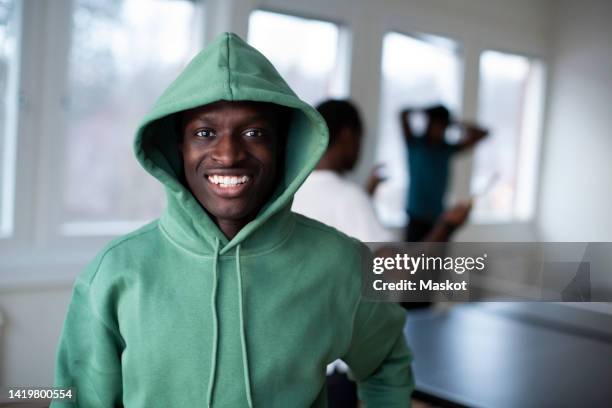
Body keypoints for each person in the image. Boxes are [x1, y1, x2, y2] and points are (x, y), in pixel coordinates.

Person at [51, 33, 413, 407]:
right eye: (204, 133)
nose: (227, 154)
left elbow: (386, 361)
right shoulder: (115, 272)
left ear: (282, 145)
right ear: (178, 146)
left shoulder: (341, 263)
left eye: (254, 133)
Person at [293, 99, 395, 243]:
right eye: (360, 138)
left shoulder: (291, 189)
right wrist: (439, 228)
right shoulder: (350, 197)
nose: (360, 149)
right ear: (347, 136)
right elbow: (392, 261)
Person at [401, 104, 488, 242]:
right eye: (436, 124)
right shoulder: (415, 144)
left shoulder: (446, 149)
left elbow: (483, 134)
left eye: (443, 126)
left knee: (436, 262)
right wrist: (423, 111)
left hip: (438, 219)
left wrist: (455, 123)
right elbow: (403, 114)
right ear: (429, 124)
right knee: (413, 261)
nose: (440, 130)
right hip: (416, 218)